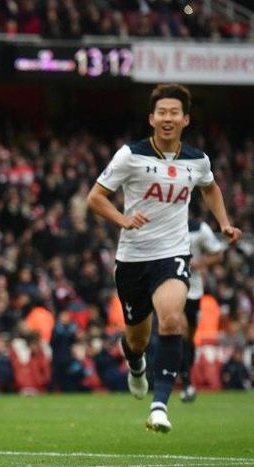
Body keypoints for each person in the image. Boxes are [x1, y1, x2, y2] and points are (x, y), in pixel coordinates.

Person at [87, 83, 242, 433]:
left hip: (172, 254)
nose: (168, 118)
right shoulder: (130, 155)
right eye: (162, 112)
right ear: (152, 118)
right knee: (137, 339)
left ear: (185, 119)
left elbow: (210, 187)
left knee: (173, 321)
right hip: (132, 260)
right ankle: (137, 365)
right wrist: (123, 219)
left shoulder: (197, 161)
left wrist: (225, 223)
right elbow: (94, 198)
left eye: (175, 112)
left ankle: (159, 406)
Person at [179, 217, 225, 402]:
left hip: (194, 290)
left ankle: (186, 376)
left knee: (189, 336)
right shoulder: (163, 221)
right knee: (178, 330)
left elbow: (217, 253)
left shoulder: (199, 228)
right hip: (170, 285)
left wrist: (198, 264)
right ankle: (185, 381)